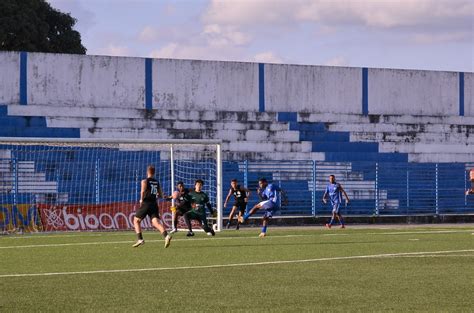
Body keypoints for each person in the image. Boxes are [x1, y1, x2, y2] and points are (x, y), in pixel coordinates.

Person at [132, 165, 172, 248]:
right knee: (155, 222)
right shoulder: (157, 182)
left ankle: (140, 239)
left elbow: (142, 192)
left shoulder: (144, 181)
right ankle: (166, 236)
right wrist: (165, 196)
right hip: (154, 204)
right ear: (154, 172)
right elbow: (160, 195)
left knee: (136, 220)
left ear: (147, 172)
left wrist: (141, 200)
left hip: (146, 203)